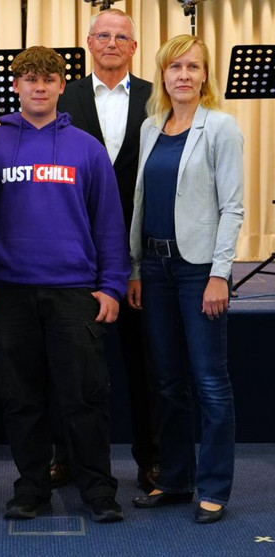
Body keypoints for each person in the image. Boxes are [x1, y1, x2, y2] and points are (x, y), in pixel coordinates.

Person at [0, 46, 129, 523]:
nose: (38, 87)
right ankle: (31, 489)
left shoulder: (86, 147)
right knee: (22, 399)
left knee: (84, 397)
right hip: (9, 291)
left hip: (74, 292)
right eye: (29, 79)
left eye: (48, 79)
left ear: (62, 86)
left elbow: (109, 222)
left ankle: (98, 490)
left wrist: (112, 286)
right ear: (14, 86)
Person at [128, 34, 244, 524]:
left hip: (198, 271)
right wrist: (135, 267)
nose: (183, 76)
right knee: (168, 382)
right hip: (153, 269)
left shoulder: (221, 128)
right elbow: (141, 203)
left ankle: (213, 486)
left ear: (205, 75)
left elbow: (233, 208)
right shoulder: (151, 126)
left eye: (193, 67)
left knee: (209, 382)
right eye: (175, 67)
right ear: (163, 74)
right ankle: (174, 479)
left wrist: (221, 275)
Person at [55, 8, 159, 492]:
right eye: (104, 35)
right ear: (88, 43)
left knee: (144, 365)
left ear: (134, 48)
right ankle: (64, 458)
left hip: (140, 251)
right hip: (74, 249)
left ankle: (150, 459)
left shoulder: (154, 97)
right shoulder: (65, 95)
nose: (113, 43)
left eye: (122, 37)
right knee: (70, 364)